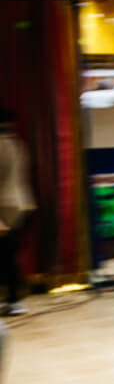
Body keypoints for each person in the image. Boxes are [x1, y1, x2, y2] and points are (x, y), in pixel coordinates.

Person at [0, 109, 36, 316]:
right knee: (9, 255)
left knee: (6, 256)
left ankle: (14, 300)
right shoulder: (17, 143)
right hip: (21, 203)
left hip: (5, 206)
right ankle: (12, 299)